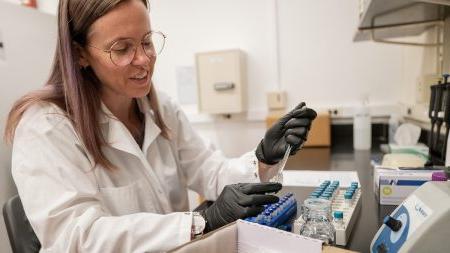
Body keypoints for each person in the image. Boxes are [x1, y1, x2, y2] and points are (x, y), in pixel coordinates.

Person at [4, 0, 317, 252]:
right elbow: (76, 239)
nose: (143, 59)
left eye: (146, 41)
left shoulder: (159, 107)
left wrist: (263, 157)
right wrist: (200, 221)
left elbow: (209, 171)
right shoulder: (45, 127)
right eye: (122, 49)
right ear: (80, 54)